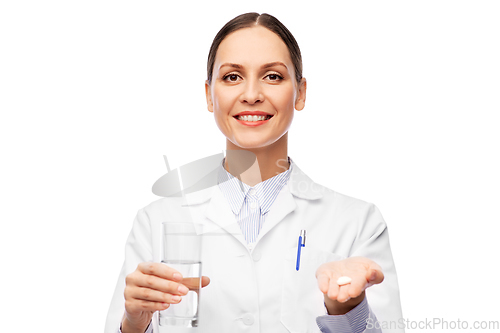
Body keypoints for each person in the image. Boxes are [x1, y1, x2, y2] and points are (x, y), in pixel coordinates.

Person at [105, 12, 404, 333]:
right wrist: (135, 323)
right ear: (209, 94)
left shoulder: (357, 222)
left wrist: (347, 309)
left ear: (300, 93)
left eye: (273, 76)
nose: (251, 94)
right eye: (232, 77)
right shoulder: (154, 221)